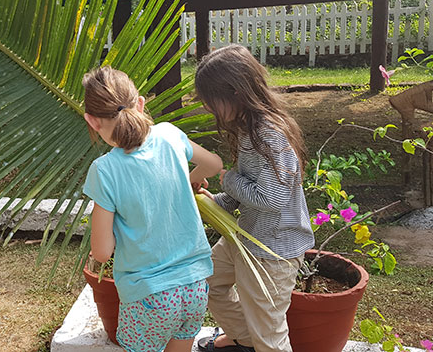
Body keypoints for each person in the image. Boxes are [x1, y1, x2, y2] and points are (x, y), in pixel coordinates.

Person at [82, 66, 224, 352]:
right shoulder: (170, 135)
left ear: (92, 121)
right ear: (141, 103)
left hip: (149, 295)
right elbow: (214, 164)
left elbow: (101, 252)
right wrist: (188, 180)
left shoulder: (104, 170)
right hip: (195, 285)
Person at [194, 45, 314, 352]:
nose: (209, 109)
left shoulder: (269, 135)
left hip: (270, 252)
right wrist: (218, 200)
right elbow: (251, 187)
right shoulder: (248, 128)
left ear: (235, 92)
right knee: (205, 282)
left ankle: (253, 339)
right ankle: (242, 336)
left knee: (269, 336)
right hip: (247, 237)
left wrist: (228, 178)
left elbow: (271, 198)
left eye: (212, 101)